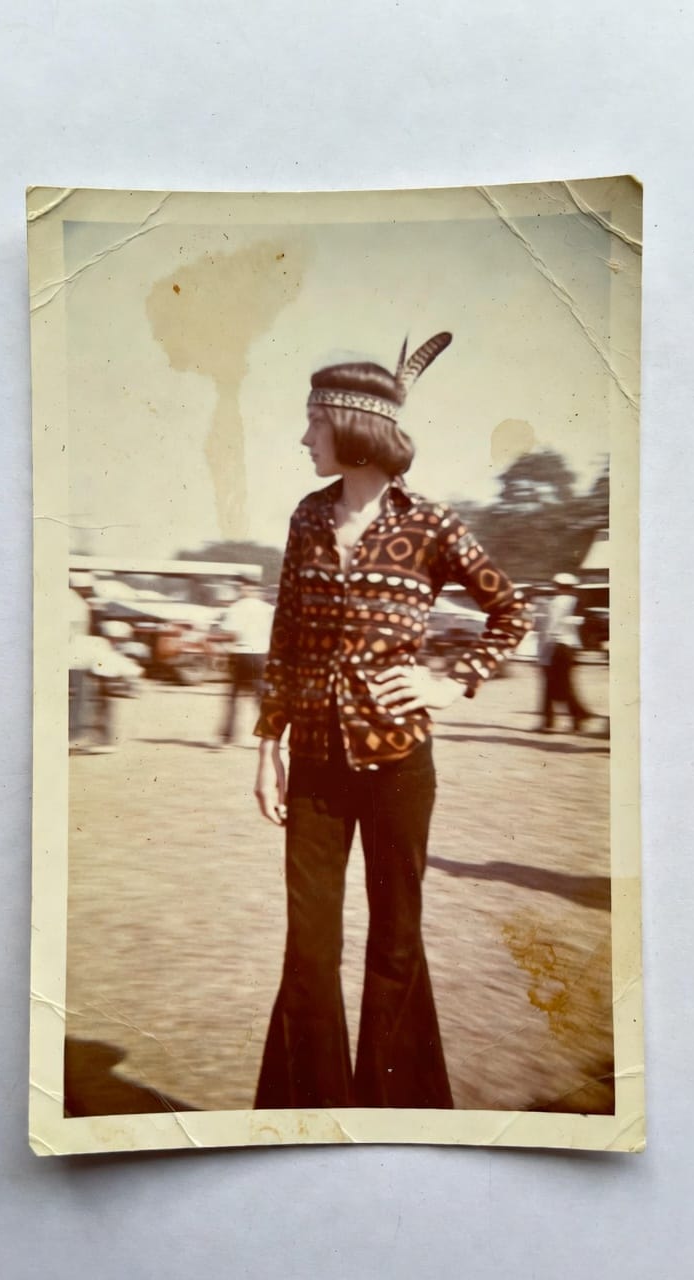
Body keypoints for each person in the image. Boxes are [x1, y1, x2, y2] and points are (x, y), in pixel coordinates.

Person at [252, 333, 532, 1110]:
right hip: (313, 763)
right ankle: (308, 1117)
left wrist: (449, 682)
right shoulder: (308, 517)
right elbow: (285, 635)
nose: (304, 438)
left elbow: (511, 612)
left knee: (396, 942)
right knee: (310, 949)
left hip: (400, 766)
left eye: (314, 422)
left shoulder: (433, 524)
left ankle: (396, 1113)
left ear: (353, 428)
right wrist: (268, 747)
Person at [216, 579, 275, 747]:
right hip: (260, 654)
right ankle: (269, 734)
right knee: (260, 697)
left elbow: (229, 632)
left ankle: (227, 737)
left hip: (241, 653)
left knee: (234, 697)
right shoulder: (268, 609)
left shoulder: (236, 607)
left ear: (244, 590)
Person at [536, 572, 592, 733]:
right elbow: (581, 624)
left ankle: (553, 720)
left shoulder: (553, 603)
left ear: (557, 586)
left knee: (552, 685)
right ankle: (577, 717)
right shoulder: (578, 602)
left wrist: (542, 654)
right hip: (570, 647)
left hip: (555, 647)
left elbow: (548, 628)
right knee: (564, 685)